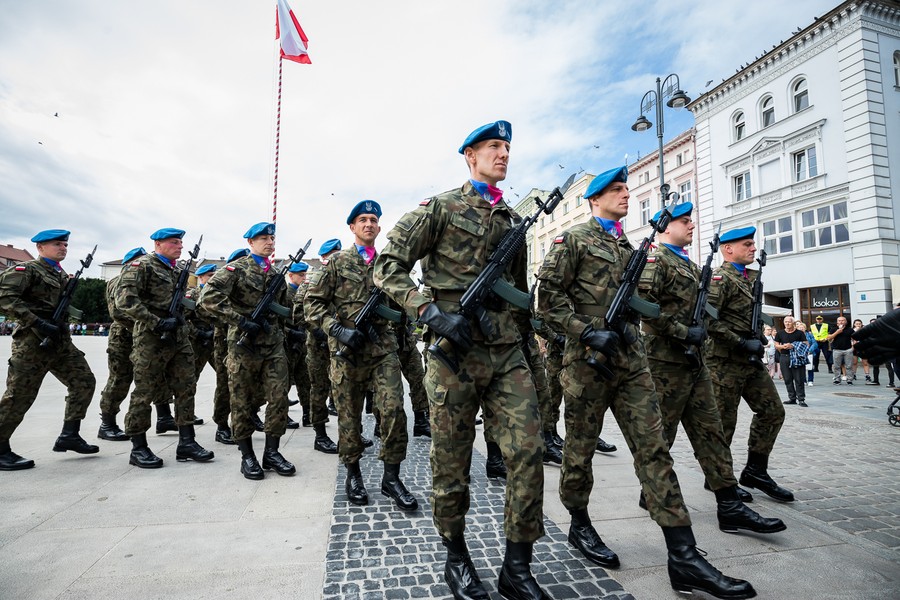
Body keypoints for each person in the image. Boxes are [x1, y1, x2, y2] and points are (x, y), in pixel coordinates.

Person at [537, 166, 756, 600]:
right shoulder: (573, 240)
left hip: (632, 360)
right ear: (594, 200)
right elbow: (546, 304)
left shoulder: (629, 247)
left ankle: (684, 556)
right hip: (586, 364)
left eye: (626, 189)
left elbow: (643, 302)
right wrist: (584, 330)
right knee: (580, 450)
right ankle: (579, 523)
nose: (625, 195)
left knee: (654, 450)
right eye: (617, 190)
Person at [375, 121, 552, 600]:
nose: (504, 154)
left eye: (508, 148)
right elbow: (387, 266)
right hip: (454, 352)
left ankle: (517, 566)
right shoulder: (441, 208)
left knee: (528, 453)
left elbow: (518, 294)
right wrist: (430, 312)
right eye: (494, 147)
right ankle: (457, 556)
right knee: (452, 460)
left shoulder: (514, 221)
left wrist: (533, 348)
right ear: (469, 156)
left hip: (506, 351)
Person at [636, 201, 790, 528]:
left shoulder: (693, 267)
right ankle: (649, 487)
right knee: (661, 432)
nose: (692, 226)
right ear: (665, 227)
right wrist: (684, 332)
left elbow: (708, 314)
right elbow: (644, 311)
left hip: (696, 362)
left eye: (692, 221)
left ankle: (730, 505)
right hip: (665, 363)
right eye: (684, 221)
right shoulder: (655, 260)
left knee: (713, 433)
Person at [307, 200, 418, 512]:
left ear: (379, 228)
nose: (369, 224)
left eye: (373, 220)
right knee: (349, 416)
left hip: (383, 349)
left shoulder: (389, 265)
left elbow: (402, 306)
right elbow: (311, 305)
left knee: (395, 410)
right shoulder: (336, 263)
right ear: (352, 227)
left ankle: (391, 477)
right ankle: (353, 474)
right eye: (362, 220)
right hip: (347, 353)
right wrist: (338, 330)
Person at [706, 226, 794, 505]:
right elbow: (707, 319)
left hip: (750, 361)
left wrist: (757, 337)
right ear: (728, 249)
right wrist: (740, 342)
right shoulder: (719, 279)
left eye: (753, 244)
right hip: (723, 362)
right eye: (747, 244)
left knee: (772, 412)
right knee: (724, 424)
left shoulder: (751, 278)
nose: (753, 248)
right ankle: (719, 478)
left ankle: (756, 470)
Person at [199, 223, 295, 480]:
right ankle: (247, 456)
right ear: (250, 243)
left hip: (273, 345)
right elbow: (207, 297)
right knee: (241, 401)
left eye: (272, 238)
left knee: (278, 398)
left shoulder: (276, 273)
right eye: (263, 238)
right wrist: (240, 320)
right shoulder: (236, 268)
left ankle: (272, 453)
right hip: (244, 345)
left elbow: (287, 309)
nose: (269, 242)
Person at [0, 229, 99, 470]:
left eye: (65, 245)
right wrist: (36, 321)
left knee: (84, 381)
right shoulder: (27, 270)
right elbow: (5, 297)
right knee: (19, 396)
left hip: (60, 342)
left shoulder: (60, 274)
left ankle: (70, 434)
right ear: (40, 248)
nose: (63, 248)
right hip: (33, 342)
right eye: (57, 244)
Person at [116, 228, 213, 469]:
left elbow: (186, 303)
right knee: (144, 391)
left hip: (179, 339)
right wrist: (155, 321)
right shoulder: (142, 266)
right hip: (151, 338)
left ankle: (187, 442)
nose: (179, 246)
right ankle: (138, 447)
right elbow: (125, 301)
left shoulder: (178, 271)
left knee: (186, 388)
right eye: (174, 242)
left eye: (181, 242)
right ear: (158, 244)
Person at [287, 261, 337, 453]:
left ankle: (353, 432)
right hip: (319, 346)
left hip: (341, 342)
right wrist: (318, 332)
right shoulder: (310, 283)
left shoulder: (344, 281)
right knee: (319, 389)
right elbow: (298, 314)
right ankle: (320, 434)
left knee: (345, 389)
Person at [97, 247, 146, 442]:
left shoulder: (140, 280)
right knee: (120, 378)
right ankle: (107, 424)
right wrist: (144, 325)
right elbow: (117, 312)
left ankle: (164, 416)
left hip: (142, 333)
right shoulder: (117, 281)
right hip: (123, 335)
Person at [774, 316, 809, 406]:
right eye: (785, 322)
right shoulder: (780, 333)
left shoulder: (799, 333)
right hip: (784, 357)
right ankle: (792, 398)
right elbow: (776, 345)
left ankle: (801, 399)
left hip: (797, 357)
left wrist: (794, 346)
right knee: (787, 379)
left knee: (799, 379)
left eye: (789, 322)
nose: (787, 323)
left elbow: (806, 344)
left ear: (793, 323)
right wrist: (783, 347)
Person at [827, 316, 854, 385]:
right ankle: (837, 379)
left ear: (846, 322)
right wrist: (837, 332)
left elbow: (855, 338)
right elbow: (829, 338)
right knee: (836, 366)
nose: (841, 322)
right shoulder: (833, 329)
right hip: (837, 350)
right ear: (837, 322)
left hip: (848, 350)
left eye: (842, 320)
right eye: (839, 321)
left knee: (849, 365)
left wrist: (853, 347)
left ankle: (849, 379)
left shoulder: (850, 329)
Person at [796, 321, 818, 387]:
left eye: (803, 327)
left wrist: (810, 350)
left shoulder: (809, 335)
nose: (801, 329)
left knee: (810, 367)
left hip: (809, 353)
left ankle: (810, 380)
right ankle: (803, 380)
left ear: (805, 328)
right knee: (801, 368)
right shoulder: (796, 335)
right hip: (800, 353)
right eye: (800, 327)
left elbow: (815, 343)